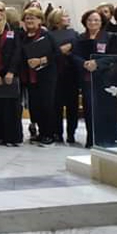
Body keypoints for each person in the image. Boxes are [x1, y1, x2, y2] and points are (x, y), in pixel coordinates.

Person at [72, 9, 117, 147]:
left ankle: (106, 138)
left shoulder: (111, 37)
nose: (93, 22)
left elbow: (115, 56)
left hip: (106, 78)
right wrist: (84, 63)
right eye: (90, 20)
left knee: (106, 108)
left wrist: (97, 63)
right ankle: (91, 138)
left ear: (102, 22)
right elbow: (74, 55)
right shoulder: (80, 38)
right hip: (87, 78)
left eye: (96, 20)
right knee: (90, 108)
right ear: (85, 22)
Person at [18, 8, 60, 146]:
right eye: (27, 18)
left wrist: (41, 60)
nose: (30, 21)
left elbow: (57, 55)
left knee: (47, 105)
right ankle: (41, 133)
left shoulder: (47, 36)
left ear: (40, 20)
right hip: (30, 77)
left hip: (46, 76)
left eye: (33, 18)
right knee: (35, 106)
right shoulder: (22, 37)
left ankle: (49, 134)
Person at [0, 1, 23, 147]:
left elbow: (17, 51)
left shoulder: (13, 30)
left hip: (10, 73)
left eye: (1, 10)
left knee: (12, 107)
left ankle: (12, 137)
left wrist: (11, 72)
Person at [47, 8, 79, 145]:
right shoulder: (49, 34)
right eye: (65, 16)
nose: (68, 18)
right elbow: (48, 52)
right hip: (55, 74)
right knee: (56, 106)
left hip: (71, 73)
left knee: (72, 106)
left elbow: (78, 50)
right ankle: (57, 133)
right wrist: (61, 51)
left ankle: (71, 133)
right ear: (57, 19)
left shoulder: (74, 33)